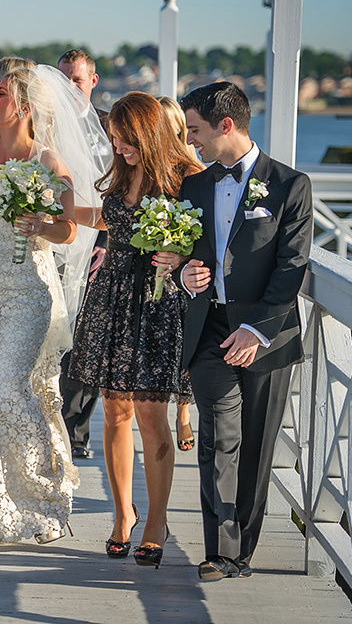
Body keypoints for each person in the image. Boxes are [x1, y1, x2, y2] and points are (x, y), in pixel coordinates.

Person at [0, 65, 109, 546]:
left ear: (20, 107)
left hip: (27, 293)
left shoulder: (48, 160)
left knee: (6, 387)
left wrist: (38, 225)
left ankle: (43, 493)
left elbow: (68, 229)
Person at [174, 81, 312, 580]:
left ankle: (241, 552)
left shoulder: (291, 186)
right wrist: (184, 274)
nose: (191, 141)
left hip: (265, 337)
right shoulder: (193, 186)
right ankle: (219, 552)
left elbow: (292, 267)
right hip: (209, 327)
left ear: (226, 126)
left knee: (254, 445)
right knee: (217, 438)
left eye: (195, 131)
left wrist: (256, 330)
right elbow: (183, 255)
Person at [68, 91, 203, 568]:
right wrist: (59, 212)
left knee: (150, 415)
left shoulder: (189, 180)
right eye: (114, 140)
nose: (118, 149)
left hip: (158, 303)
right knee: (113, 411)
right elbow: (109, 219)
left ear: (148, 134)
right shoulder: (123, 174)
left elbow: (214, 238)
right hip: (112, 300)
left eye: (126, 141)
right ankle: (123, 512)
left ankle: (156, 520)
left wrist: (183, 258)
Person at [57, 48, 107, 459]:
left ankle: (77, 431)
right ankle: (51, 423)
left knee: (87, 342)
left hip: (97, 249)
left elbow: (123, 194)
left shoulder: (108, 127)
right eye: (64, 78)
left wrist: (106, 246)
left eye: (77, 79)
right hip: (53, 240)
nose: (70, 86)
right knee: (54, 335)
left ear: (92, 81)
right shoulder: (45, 125)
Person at [158, 94, 199, 452]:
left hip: (183, 274)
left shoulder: (194, 173)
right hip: (153, 271)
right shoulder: (146, 168)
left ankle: (183, 415)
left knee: (182, 347)